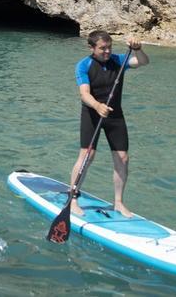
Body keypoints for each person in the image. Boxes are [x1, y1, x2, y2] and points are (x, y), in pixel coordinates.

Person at [68, 30, 150, 217]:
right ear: (91, 48)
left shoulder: (118, 60)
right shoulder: (84, 65)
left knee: (122, 158)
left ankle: (119, 203)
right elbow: (84, 94)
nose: (107, 52)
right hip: (92, 114)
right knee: (87, 156)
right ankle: (72, 199)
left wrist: (137, 49)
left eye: (109, 47)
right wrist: (97, 106)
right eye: (102, 48)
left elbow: (143, 61)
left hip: (115, 116)